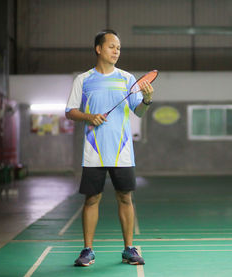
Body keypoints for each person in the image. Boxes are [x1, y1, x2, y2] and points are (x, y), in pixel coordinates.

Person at [65, 29, 153, 266]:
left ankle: (129, 249)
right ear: (99, 49)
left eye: (119, 48)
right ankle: (87, 250)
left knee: (125, 198)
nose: (117, 51)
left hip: (122, 151)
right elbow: (70, 111)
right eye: (112, 46)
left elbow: (139, 111)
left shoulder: (127, 78)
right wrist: (88, 116)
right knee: (91, 199)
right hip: (94, 151)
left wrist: (146, 100)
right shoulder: (83, 79)